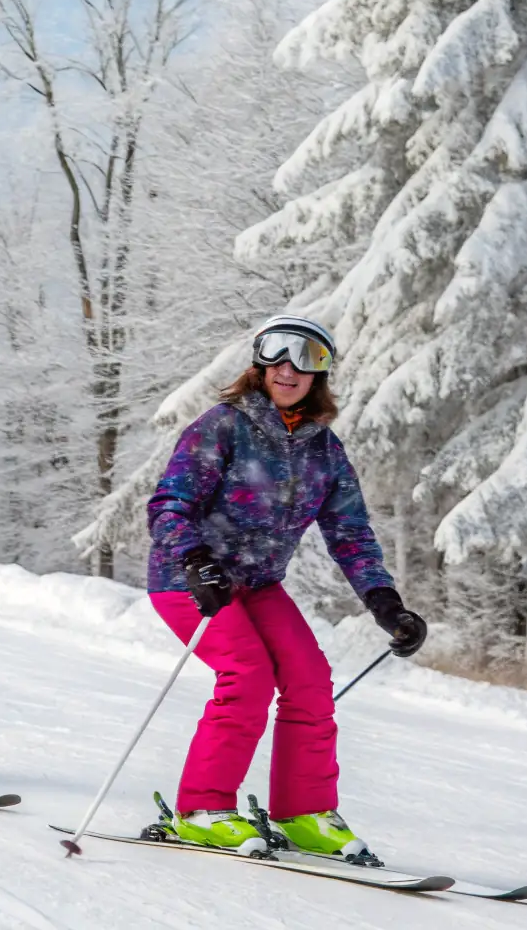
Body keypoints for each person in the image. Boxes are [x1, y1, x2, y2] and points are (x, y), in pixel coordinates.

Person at [147, 314, 427, 859]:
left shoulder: (326, 450)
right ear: (258, 362)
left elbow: (350, 533)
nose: (288, 368)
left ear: (321, 372)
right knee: (247, 673)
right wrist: (196, 560)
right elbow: (168, 506)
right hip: (189, 579)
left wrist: (385, 604)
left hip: (256, 584)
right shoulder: (223, 426)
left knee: (309, 677)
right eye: (277, 353)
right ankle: (202, 810)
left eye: (307, 358)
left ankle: (304, 813)